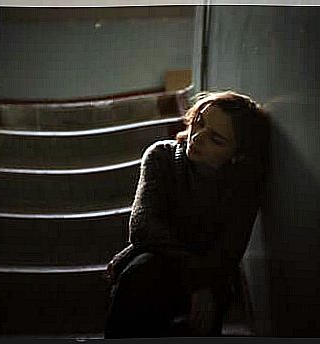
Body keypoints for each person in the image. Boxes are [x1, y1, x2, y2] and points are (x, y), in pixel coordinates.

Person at [103, 90, 269, 338]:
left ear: (237, 154)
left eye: (216, 139)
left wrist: (203, 284)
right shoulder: (162, 156)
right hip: (157, 269)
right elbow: (142, 227)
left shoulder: (243, 184)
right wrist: (198, 282)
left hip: (208, 273)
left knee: (215, 293)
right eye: (199, 123)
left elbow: (229, 250)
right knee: (141, 270)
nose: (198, 137)